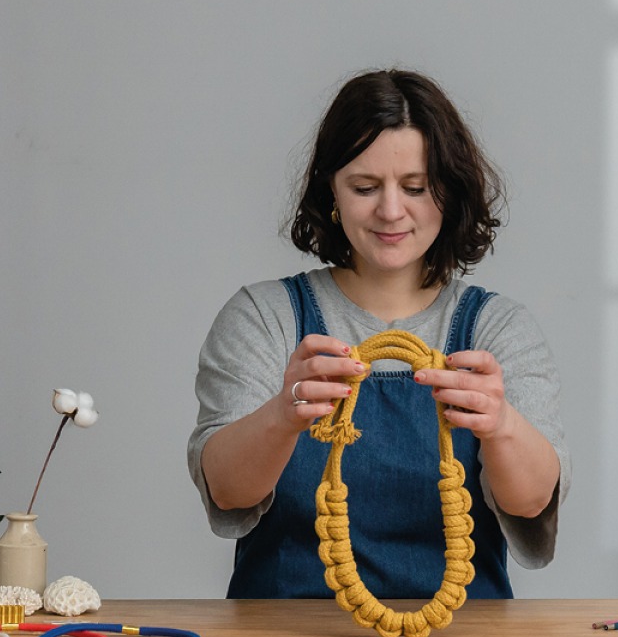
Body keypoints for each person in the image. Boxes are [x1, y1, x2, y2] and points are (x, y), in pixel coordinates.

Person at [188, 69, 568, 600]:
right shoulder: (264, 316)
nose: (391, 211)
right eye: (365, 187)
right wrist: (281, 416)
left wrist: (500, 424)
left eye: (415, 187)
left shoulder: (498, 329)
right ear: (331, 193)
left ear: (450, 190)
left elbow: (531, 501)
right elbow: (227, 493)